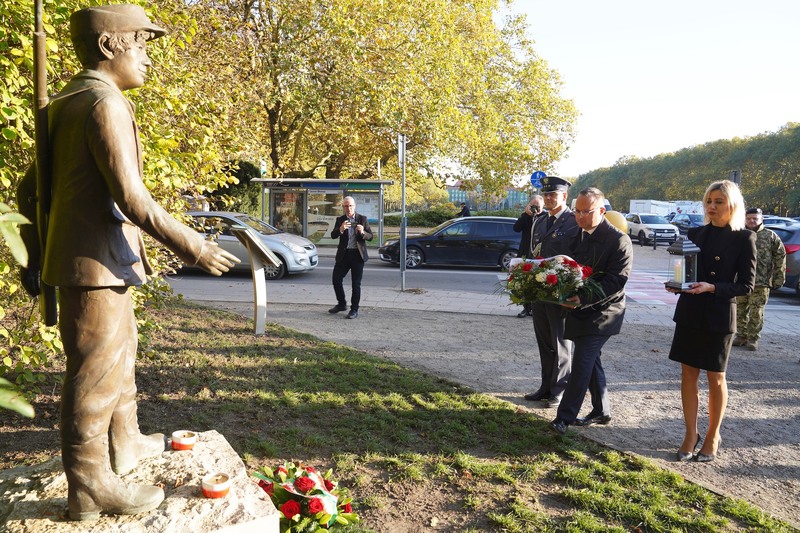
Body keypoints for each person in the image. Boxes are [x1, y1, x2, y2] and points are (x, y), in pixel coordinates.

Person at [15, 5, 239, 520]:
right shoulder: (102, 103)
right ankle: (89, 483)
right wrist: (196, 246)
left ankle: (126, 441)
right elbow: (133, 198)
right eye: (140, 43)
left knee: (121, 357)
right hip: (92, 263)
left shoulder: (68, 99)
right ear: (110, 46)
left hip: (94, 260)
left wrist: (33, 253)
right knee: (95, 371)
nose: (147, 58)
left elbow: (32, 189)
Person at [666, 180, 756, 463]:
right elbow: (684, 269)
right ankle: (690, 435)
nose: (712, 206)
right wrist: (678, 284)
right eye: (709, 201)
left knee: (715, 378)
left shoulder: (745, 238)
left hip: (719, 314)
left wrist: (714, 287)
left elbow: (747, 286)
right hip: (691, 311)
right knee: (688, 375)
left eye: (718, 201)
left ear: (732, 205)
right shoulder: (695, 233)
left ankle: (712, 435)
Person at [548, 188, 633, 435]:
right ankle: (601, 410)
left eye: (586, 211)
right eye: (577, 211)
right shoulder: (576, 233)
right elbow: (566, 265)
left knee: (583, 360)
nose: (580, 216)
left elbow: (616, 281)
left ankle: (564, 418)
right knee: (591, 360)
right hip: (580, 307)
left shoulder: (618, 240)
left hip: (605, 311)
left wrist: (582, 297)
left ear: (602, 211)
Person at [523, 176, 580, 407]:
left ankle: (559, 390)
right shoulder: (540, 221)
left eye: (552, 195)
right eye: (545, 194)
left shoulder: (573, 221)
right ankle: (545, 387)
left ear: (564, 196)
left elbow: (578, 259)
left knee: (561, 344)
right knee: (545, 341)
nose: (548, 198)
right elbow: (534, 254)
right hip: (540, 291)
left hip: (561, 292)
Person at [733, 207, 786, 351]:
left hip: (761, 281)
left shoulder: (770, 236)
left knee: (757, 312)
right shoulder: (739, 234)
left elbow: (780, 257)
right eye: (749, 218)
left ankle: (753, 338)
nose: (751, 221)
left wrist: (778, 278)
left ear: (761, 219)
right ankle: (741, 335)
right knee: (739, 309)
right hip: (741, 281)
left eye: (755, 218)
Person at [329, 196, 373, 319]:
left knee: (356, 284)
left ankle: (354, 310)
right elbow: (333, 235)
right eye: (346, 206)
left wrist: (363, 232)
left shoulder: (362, 219)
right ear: (343, 207)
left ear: (355, 206)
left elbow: (370, 237)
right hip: (344, 255)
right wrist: (341, 229)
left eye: (350, 206)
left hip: (357, 255)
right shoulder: (340, 219)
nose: (349, 208)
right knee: (336, 280)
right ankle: (342, 304)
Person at [512, 194, 545, 317]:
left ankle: (535, 308)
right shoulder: (526, 216)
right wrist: (526, 214)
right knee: (525, 281)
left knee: (539, 280)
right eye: (533, 205)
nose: (535, 208)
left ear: (543, 206)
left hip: (540, 254)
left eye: (538, 206)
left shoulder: (545, 217)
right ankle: (526, 307)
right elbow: (516, 228)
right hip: (526, 252)